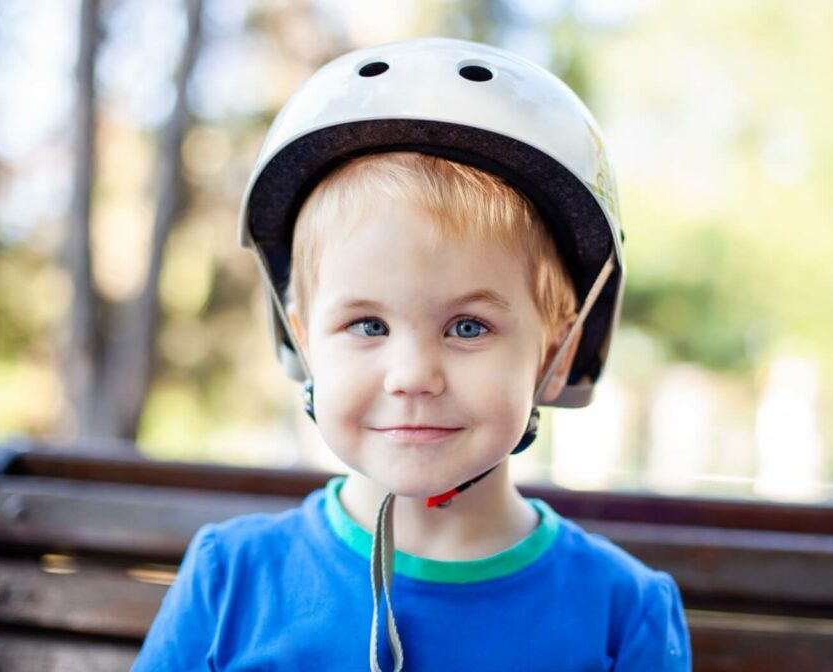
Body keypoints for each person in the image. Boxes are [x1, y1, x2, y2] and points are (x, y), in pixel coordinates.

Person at [134, 37, 691, 671]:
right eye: (368, 325)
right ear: (303, 339)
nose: (414, 377)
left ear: (557, 353)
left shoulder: (620, 613)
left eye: (468, 327)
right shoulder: (230, 583)